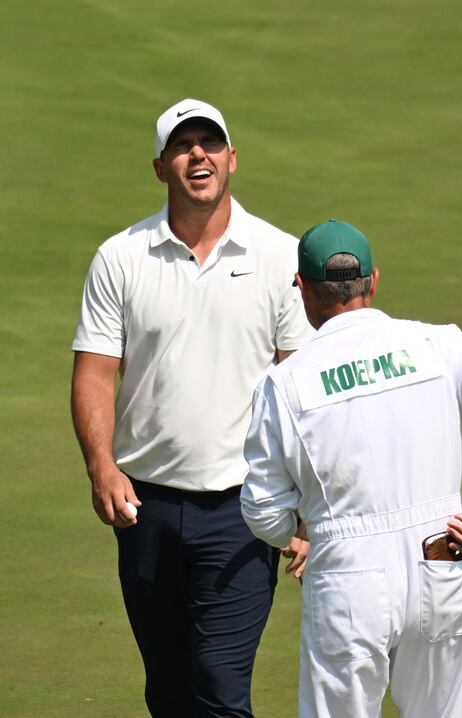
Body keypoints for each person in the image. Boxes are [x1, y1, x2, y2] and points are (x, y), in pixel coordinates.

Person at [240, 219, 462, 718]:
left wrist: (300, 532)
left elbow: (261, 511)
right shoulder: (436, 344)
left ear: (302, 288)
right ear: (373, 281)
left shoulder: (283, 383)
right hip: (441, 558)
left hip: (346, 575)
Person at [70, 98, 313, 718]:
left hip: (243, 507)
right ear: (161, 167)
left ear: (233, 158)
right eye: (182, 146)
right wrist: (102, 466)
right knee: (170, 687)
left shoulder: (280, 256)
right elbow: (96, 373)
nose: (197, 155)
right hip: (143, 506)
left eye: (210, 143)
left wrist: (309, 505)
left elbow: (303, 390)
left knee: (220, 686)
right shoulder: (120, 257)